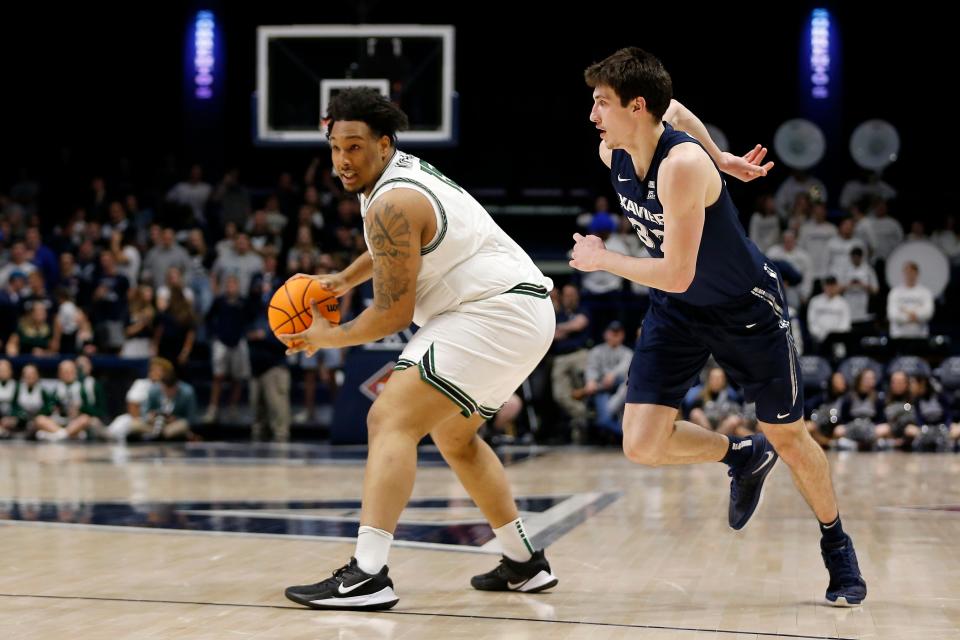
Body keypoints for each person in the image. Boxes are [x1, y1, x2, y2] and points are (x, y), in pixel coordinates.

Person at [571, 47, 866, 606]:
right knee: (641, 443)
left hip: (743, 307)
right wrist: (725, 156)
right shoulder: (613, 145)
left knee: (789, 435)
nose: (592, 114)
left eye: (601, 102)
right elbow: (675, 108)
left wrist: (602, 259)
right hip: (678, 311)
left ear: (636, 106)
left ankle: (836, 543)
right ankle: (740, 456)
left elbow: (679, 272)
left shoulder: (681, 167)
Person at [279, 88, 558, 611]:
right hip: (522, 311)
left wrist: (326, 337)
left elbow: (392, 315)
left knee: (390, 419)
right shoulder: (395, 178)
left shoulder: (394, 200)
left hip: (492, 312)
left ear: (384, 145)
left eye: (355, 147)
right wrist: (342, 279)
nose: (343, 159)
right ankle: (524, 562)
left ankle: (368, 574)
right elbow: (393, 248)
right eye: (336, 147)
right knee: (455, 437)